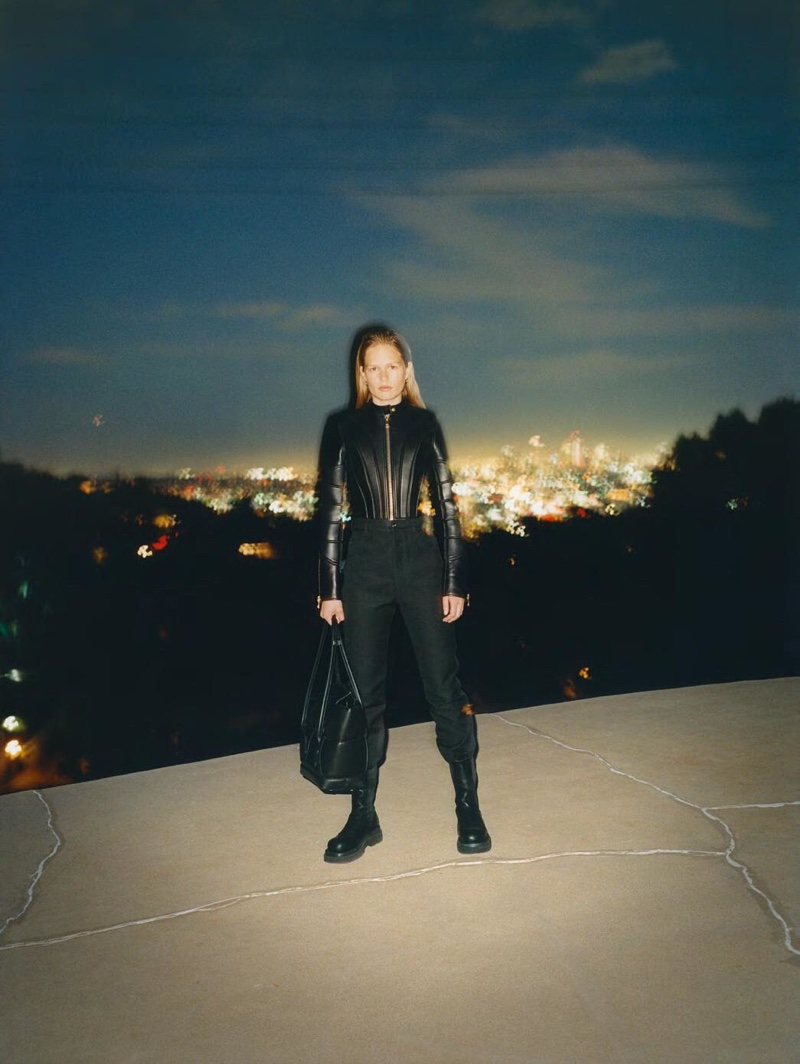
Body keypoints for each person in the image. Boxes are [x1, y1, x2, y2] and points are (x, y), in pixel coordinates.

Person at [316, 324, 491, 863]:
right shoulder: (342, 426)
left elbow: (448, 506)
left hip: (418, 559)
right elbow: (330, 511)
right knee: (364, 697)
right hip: (365, 563)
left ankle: (468, 804)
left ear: (406, 371)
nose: (385, 376)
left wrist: (454, 580)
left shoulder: (424, 423)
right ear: (362, 374)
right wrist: (329, 587)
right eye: (374, 368)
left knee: (443, 687)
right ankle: (362, 815)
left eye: (393, 366)